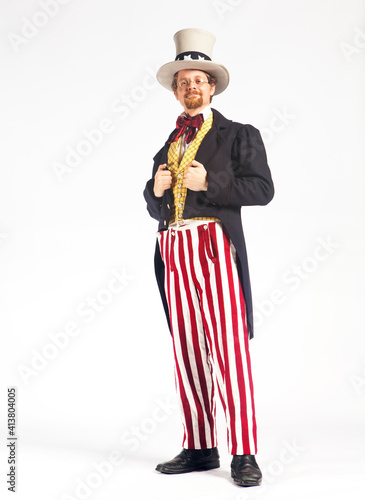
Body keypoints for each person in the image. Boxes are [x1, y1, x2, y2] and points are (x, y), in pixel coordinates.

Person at [143, 28, 274, 488]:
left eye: (198, 80)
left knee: (229, 351)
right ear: (176, 90)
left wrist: (208, 185)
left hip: (214, 246)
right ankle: (200, 447)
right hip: (172, 249)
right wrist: (154, 192)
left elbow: (262, 190)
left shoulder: (239, 135)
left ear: (212, 86)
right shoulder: (168, 144)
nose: (190, 88)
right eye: (183, 82)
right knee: (189, 352)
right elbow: (156, 203)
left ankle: (243, 452)